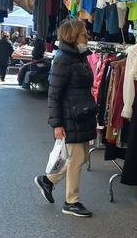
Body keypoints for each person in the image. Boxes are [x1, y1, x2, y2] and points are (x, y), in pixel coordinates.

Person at [34, 19, 96, 217]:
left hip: (81, 114)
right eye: (84, 35)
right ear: (73, 36)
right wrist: (57, 124)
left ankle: (48, 180)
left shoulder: (79, 57)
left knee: (82, 157)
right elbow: (54, 94)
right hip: (71, 117)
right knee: (76, 159)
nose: (87, 37)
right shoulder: (64, 59)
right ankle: (71, 201)